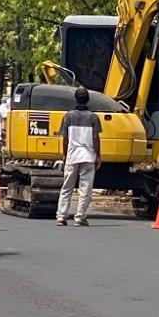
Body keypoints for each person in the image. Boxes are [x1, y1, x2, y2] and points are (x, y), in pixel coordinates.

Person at [56, 87, 102, 227]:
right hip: (88, 157)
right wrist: (98, 155)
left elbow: (65, 138)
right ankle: (80, 217)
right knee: (85, 189)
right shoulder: (93, 117)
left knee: (67, 188)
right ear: (87, 100)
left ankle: (61, 216)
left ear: (75, 99)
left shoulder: (68, 116)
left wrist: (64, 155)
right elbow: (96, 138)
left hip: (72, 156)